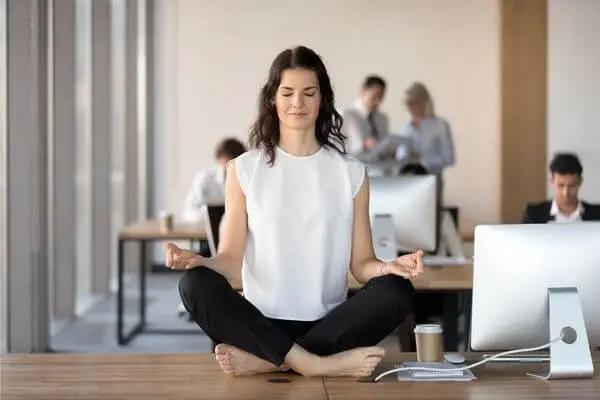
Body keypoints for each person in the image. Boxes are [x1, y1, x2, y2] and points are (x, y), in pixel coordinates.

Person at [165, 46, 423, 378]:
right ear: (272, 98)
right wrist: (200, 262)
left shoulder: (351, 172)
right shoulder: (243, 169)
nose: (297, 103)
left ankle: (271, 359)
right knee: (194, 284)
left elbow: (361, 266)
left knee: (396, 290)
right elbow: (230, 261)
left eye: (308, 93)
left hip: (328, 323)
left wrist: (389, 266)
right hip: (259, 320)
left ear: (322, 99)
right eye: (287, 92)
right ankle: (315, 363)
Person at [396, 82, 455, 177]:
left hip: (432, 179)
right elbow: (400, 155)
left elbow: (449, 158)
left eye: (413, 103)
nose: (410, 108)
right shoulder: (405, 128)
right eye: (408, 104)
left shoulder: (440, 125)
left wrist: (422, 159)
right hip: (408, 180)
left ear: (424, 101)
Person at [522, 153, 600, 223]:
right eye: (560, 185)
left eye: (571, 186)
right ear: (552, 181)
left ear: (580, 182)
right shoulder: (534, 215)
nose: (565, 192)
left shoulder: (597, 214)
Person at [181, 138, 247, 222]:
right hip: (203, 229)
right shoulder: (205, 178)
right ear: (219, 157)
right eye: (226, 158)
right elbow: (189, 211)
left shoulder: (245, 180)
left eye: (232, 159)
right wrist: (211, 218)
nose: (229, 163)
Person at [342, 75, 390, 154]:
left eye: (381, 97)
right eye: (374, 97)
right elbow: (335, 147)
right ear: (363, 90)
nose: (377, 101)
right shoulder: (346, 115)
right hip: (354, 163)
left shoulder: (383, 118)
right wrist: (362, 144)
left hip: (381, 165)